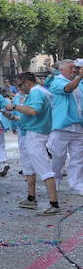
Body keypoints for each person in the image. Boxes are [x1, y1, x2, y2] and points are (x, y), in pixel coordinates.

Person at [9, 72, 60, 215]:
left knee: (45, 170)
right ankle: (32, 198)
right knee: (33, 168)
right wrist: (13, 116)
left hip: (35, 135)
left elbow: (33, 111)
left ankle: (54, 204)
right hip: (37, 132)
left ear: (27, 82)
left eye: (19, 85)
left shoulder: (36, 92)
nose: (19, 89)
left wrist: (14, 107)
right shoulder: (42, 91)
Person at [47, 60, 83, 196]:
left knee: (78, 158)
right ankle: (55, 180)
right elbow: (68, 89)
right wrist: (79, 77)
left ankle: (77, 184)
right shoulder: (57, 82)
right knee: (58, 156)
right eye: (71, 68)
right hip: (62, 126)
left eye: (75, 68)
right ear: (61, 70)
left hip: (79, 126)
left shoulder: (79, 83)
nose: (74, 70)